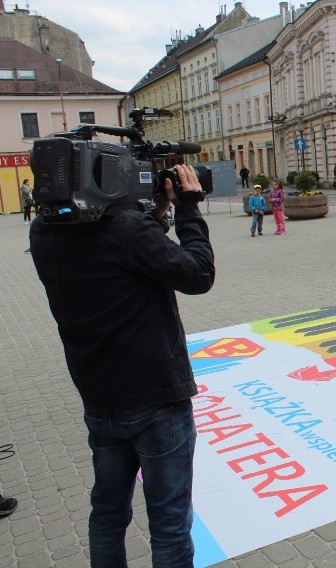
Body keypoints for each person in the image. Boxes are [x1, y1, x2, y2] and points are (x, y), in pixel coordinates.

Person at [29, 164, 215, 566]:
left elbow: (119, 248)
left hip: (99, 398)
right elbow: (198, 273)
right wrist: (188, 209)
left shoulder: (44, 232)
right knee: (168, 524)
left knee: (108, 514)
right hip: (156, 402)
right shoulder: (129, 232)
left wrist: (155, 212)